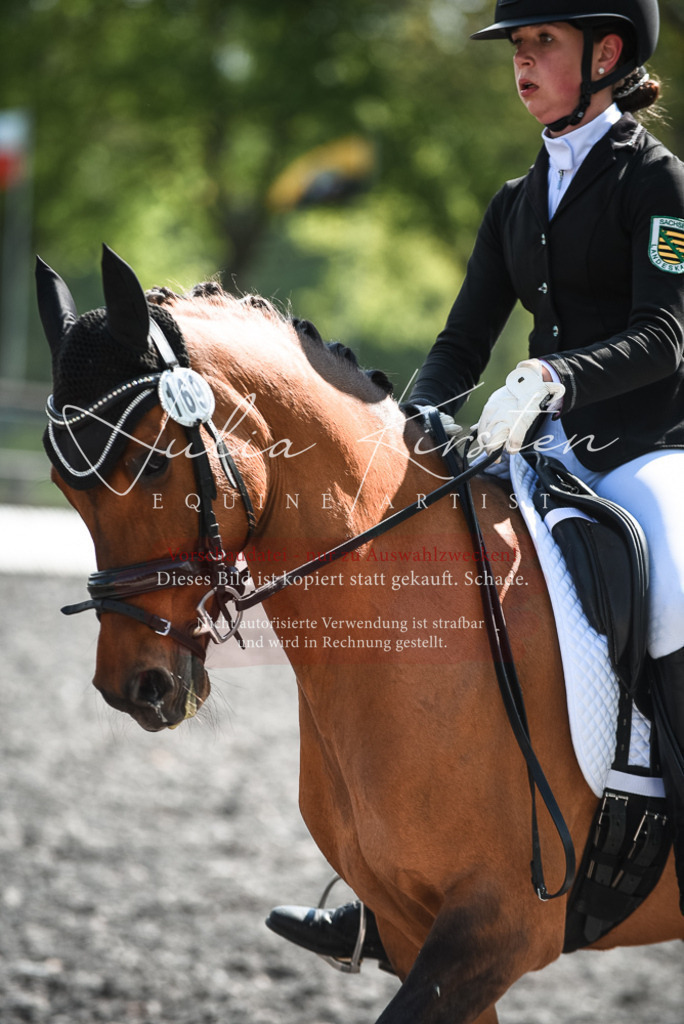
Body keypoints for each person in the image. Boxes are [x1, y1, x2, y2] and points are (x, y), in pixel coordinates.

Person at [266, 0, 684, 963]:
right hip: (538, 453)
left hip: (643, 451)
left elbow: (665, 335)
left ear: (606, 52)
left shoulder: (654, 180)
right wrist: (402, 426)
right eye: (518, 47)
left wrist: (554, 375)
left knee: (666, 589)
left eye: (542, 43)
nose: (522, 63)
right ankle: (392, 888)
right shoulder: (516, 199)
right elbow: (459, 345)